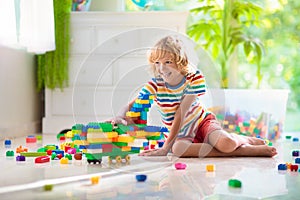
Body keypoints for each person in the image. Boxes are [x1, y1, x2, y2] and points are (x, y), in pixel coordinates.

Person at [111, 35, 277, 158]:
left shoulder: (194, 78)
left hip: (202, 123)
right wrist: (120, 116)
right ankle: (245, 152)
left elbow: (181, 113)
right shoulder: (155, 85)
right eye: (157, 63)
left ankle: (243, 140)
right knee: (178, 150)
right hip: (181, 134)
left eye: (168, 62)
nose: (162, 68)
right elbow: (131, 106)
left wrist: (165, 147)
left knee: (227, 144)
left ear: (180, 61)